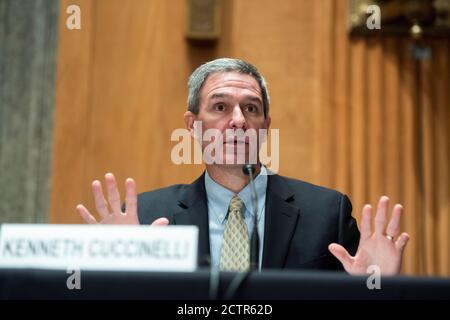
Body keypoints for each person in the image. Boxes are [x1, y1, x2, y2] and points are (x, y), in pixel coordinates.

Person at [76, 58, 409, 275]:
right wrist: (111, 275)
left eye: (251, 109)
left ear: (264, 126)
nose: (238, 121)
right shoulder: (148, 216)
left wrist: (376, 290)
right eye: (220, 107)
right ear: (192, 125)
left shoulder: (326, 213)